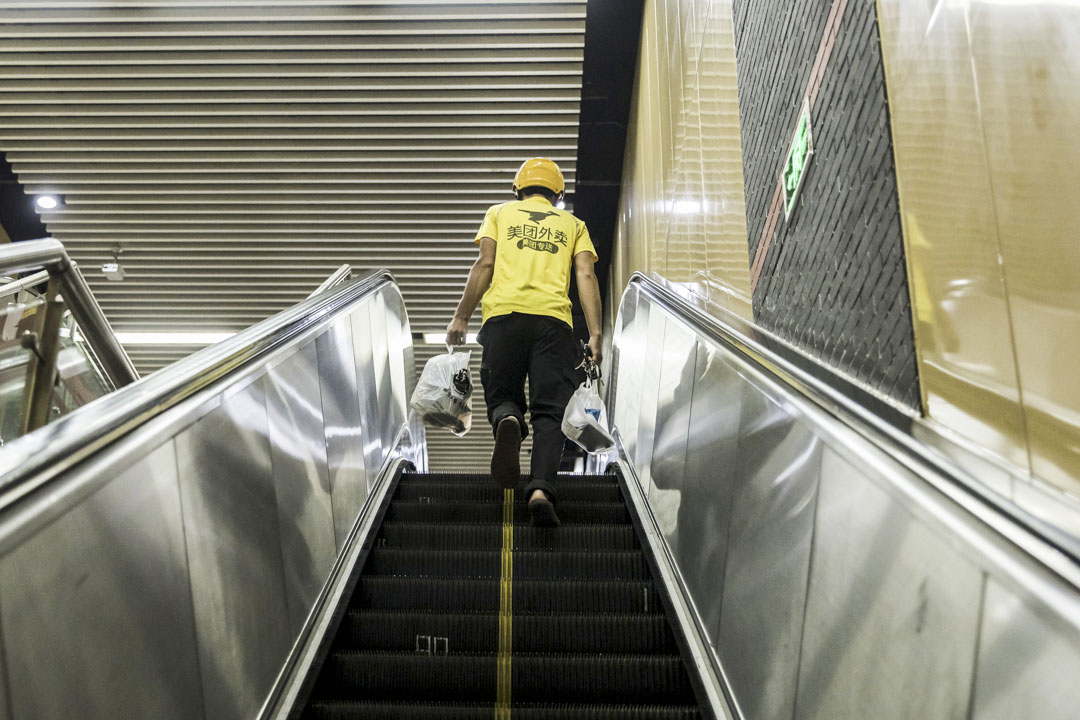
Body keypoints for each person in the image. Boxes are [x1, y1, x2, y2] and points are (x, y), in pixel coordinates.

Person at [446, 158, 603, 527]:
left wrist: (462, 316)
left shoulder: (499, 213)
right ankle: (539, 491)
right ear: (558, 194)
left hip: (504, 320)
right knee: (550, 411)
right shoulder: (573, 224)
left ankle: (508, 419)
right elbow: (585, 273)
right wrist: (595, 334)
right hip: (553, 325)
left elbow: (484, 264)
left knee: (503, 394)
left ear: (518, 188)